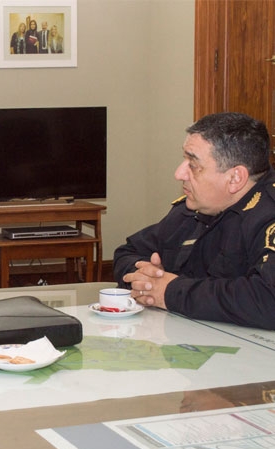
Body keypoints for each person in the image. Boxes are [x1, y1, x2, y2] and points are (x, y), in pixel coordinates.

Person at [113, 112, 275, 330]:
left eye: (193, 164)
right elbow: (128, 251)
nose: (179, 173)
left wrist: (170, 292)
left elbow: (267, 299)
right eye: (184, 159)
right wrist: (146, 278)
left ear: (235, 178)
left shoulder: (267, 214)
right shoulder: (193, 209)